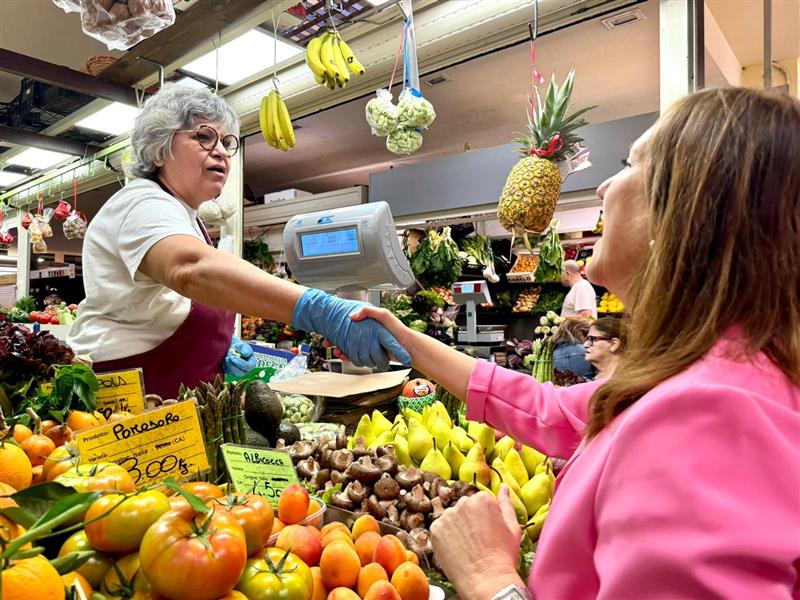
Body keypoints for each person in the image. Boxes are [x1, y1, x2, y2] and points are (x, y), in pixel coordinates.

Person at [352, 87, 800, 598]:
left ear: (688, 213)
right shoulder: (694, 377)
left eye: (631, 163)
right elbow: (545, 408)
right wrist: (408, 339)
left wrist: (490, 578)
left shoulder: (710, 416)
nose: (607, 183)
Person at [67, 84, 410, 398]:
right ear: (159, 150)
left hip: (174, 395)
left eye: (226, 143)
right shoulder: (141, 203)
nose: (221, 152)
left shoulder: (186, 216)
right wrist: (319, 311)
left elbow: (168, 305)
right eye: (204, 137)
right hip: (131, 397)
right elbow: (191, 269)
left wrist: (217, 346)